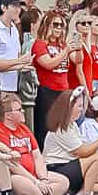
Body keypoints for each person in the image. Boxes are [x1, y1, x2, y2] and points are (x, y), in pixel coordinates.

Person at [0, 92, 72, 195]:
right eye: (19, 109)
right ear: (8, 115)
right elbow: (12, 164)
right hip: (16, 175)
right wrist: (36, 182)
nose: (23, 111)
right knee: (27, 185)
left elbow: (37, 156)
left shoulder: (23, 128)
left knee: (63, 181)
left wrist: (43, 179)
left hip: (34, 174)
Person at [42, 89, 98, 195]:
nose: (82, 110)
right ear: (69, 107)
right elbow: (82, 151)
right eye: (79, 106)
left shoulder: (72, 125)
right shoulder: (62, 128)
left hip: (69, 164)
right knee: (97, 157)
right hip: (57, 167)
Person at [29, 11, 74, 145]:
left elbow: (78, 60)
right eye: (55, 25)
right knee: (46, 127)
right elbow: (48, 64)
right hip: (47, 90)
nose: (59, 28)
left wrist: (80, 44)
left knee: (62, 127)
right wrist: (65, 52)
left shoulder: (62, 45)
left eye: (61, 25)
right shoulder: (40, 44)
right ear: (47, 25)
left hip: (63, 90)